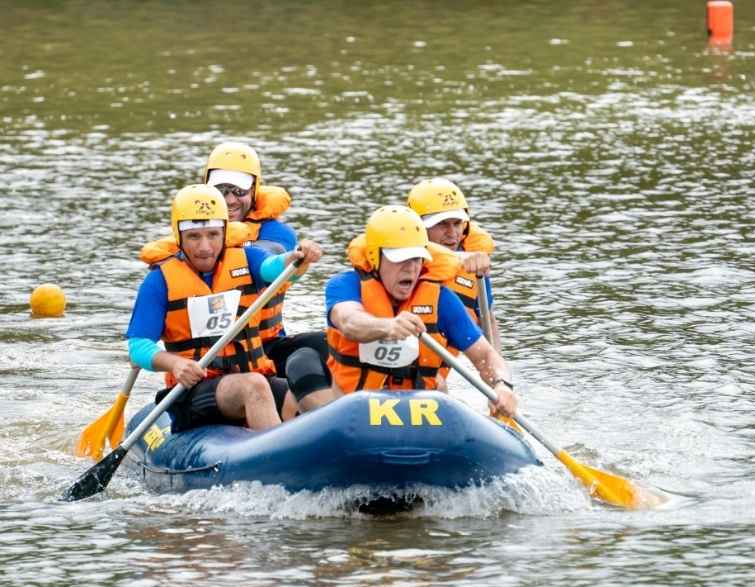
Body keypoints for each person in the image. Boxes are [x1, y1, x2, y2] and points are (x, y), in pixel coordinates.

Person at [126, 184, 321, 433]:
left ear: (224, 232)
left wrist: (295, 259)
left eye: (213, 235)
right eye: (194, 237)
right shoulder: (159, 281)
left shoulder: (247, 259)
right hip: (192, 391)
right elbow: (138, 347)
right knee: (254, 386)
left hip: (250, 374)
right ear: (179, 236)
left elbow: (276, 269)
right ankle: (282, 465)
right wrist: (174, 364)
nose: (205, 247)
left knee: (297, 398)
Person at [138, 141, 327, 377]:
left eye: (239, 191)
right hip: (205, 359)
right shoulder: (184, 246)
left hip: (263, 345)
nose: (229, 200)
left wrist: (300, 258)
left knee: (326, 343)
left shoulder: (274, 236)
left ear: (255, 190)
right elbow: (139, 344)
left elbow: (271, 265)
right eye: (221, 190)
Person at [322, 205, 518, 418]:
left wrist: (502, 385)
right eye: (400, 259)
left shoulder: (441, 299)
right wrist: (387, 326)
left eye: (416, 258)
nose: (411, 268)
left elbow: (485, 355)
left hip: (420, 418)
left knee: (440, 385)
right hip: (353, 418)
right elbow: (350, 322)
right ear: (375, 258)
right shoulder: (345, 286)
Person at [407, 178, 500, 347]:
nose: (452, 233)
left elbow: (489, 321)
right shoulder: (397, 262)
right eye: (442, 224)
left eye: (457, 223)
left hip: (454, 362)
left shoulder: (474, 263)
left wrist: (499, 369)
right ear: (418, 226)